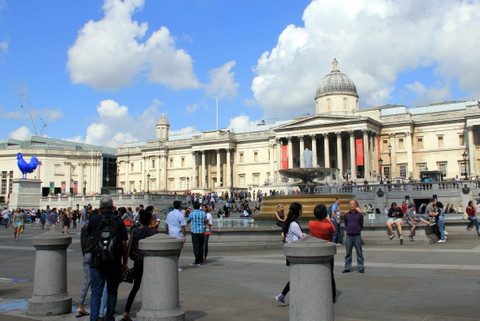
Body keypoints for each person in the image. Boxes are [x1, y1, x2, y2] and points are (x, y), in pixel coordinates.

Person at [87, 196, 128, 321]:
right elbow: (124, 243)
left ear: (100, 207)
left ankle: (94, 318)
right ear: (112, 206)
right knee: (112, 291)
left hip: (97, 260)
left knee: (96, 293)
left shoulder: (94, 219)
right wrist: (124, 262)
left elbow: (89, 237)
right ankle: (109, 317)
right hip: (114, 261)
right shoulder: (118, 220)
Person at [121, 210, 159, 321]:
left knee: (135, 287)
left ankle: (126, 313)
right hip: (149, 262)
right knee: (152, 286)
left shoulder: (135, 230)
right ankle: (153, 310)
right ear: (149, 220)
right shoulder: (152, 231)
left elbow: (129, 246)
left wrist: (125, 263)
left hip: (138, 261)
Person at [275, 202, 306, 305]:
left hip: (291, 252)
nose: (302, 211)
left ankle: (283, 295)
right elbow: (301, 237)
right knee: (298, 276)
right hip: (296, 253)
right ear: (298, 211)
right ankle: (284, 295)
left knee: (297, 275)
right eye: (301, 209)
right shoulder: (294, 224)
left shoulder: (290, 222)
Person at [308, 203, 336, 303]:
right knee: (330, 274)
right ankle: (332, 297)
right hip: (327, 252)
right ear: (325, 214)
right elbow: (334, 229)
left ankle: (316, 293)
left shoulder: (311, 223)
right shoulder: (328, 226)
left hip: (315, 250)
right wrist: (328, 219)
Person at [76, 209, 95, 318]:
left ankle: (80, 305)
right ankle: (97, 307)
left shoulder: (84, 228)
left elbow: (82, 243)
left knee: (87, 281)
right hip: (93, 255)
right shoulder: (95, 228)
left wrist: (85, 254)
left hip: (86, 255)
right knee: (97, 281)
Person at [343, 200, 364, 273]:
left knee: (359, 252)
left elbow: (361, 224)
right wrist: (348, 229)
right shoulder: (346, 215)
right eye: (350, 204)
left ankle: (361, 267)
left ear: (356, 205)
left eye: (353, 204)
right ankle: (347, 267)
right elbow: (345, 223)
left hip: (357, 235)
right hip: (349, 236)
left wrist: (358, 229)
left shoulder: (360, 215)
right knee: (348, 253)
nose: (352, 205)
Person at [187, 201, 207, 266]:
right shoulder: (203, 213)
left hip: (194, 232)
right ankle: (201, 260)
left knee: (195, 246)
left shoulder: (192, 213)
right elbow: (206, 221)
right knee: (201, 246)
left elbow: (188, 221)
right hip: (201, 231)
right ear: (199, 206)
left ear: (193, 206)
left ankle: (197, 260)